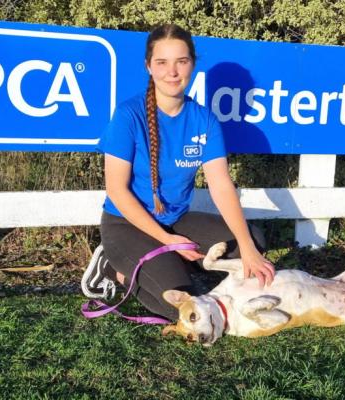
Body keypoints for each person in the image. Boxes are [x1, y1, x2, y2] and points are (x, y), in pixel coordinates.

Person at [81, 24, 275, 321]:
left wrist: (248, 249)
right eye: (162, 62)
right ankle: (112, 267)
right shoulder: (128, 115)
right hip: (125, 225)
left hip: (176, 222)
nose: (172, 72)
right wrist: (166, 240)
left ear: (192, 64)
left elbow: (221, 185)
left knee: (253, 240)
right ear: (149, 66)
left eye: (181, 61)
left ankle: (171, 260)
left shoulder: (204, 119)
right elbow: (117, 190)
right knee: (180, 302)